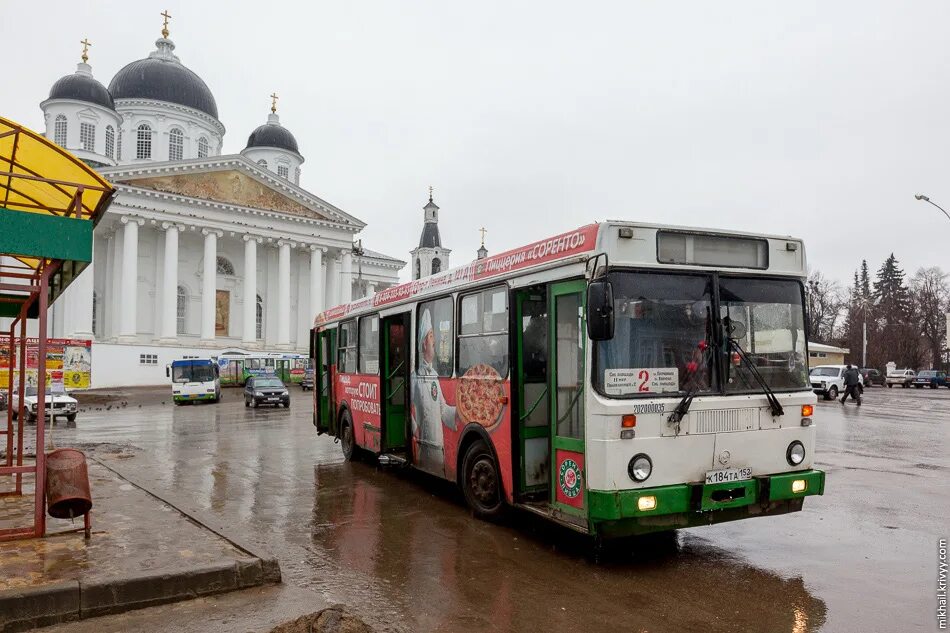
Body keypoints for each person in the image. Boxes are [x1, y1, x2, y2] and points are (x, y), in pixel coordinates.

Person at [411, 308, 457, 473]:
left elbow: (443, 410)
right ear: (424, 343)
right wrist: (414, 428)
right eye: (431, 336)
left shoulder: (435, 376)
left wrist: (460, 413)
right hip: (425, 445)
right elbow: (405, 406)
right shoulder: (415, 375)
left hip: (438, 444)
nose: (434, 341)